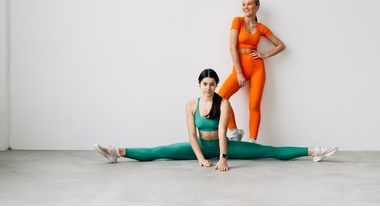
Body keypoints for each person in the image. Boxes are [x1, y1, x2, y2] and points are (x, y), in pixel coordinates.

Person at [94, 69, 338, 172]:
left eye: (212, 84)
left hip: (225, 148)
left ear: (216, 85)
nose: (208, 87)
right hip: (199, 148)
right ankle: (117, 151)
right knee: (160, 150)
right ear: (199, 85)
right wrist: (200, 158)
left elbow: (222, 133)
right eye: (204, 84)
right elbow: (191, 135)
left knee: (268, 150)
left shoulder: (224, 103)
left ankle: (314, 151)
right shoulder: (191, 104)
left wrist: (223, 159)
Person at [218, 0, 286, 143]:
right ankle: (234, 131)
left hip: (257, 68)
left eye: (249, 4)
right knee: (220, 98)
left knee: (254, 105)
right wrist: (240, 72)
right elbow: (232, 47)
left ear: (257, 7)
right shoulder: (237, 21)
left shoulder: (261, 27)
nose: (246, 7)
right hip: (240, 68)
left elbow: (281, 45)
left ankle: (252, 141)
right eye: (243, 4)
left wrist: (265, 54)